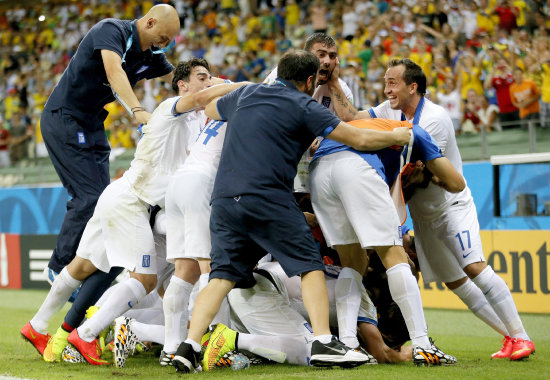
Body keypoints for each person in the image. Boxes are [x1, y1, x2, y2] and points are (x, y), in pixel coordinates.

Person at [171, 50, 412, 373]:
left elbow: (212, 109)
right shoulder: (304, 105)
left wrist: (243, 93)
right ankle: (323, 341)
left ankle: (190, 346)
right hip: (268, 196)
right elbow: (357, 137)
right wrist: (395, 135)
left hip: (225, 199)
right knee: (310, 266)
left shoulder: (247, 92)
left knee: (221, 276)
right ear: (310, 81)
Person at [20, 58, 248, 365]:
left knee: (83, 266)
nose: (209, 84)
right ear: (182, 84)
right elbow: (201, 99)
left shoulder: (195, 122)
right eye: (203, 78)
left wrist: (218, 89)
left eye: (210, 79)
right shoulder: (170, 107)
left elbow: (206, 106)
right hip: (133, 202)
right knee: (146, 279)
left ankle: (38, 326)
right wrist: (248, 87)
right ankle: (86, 334)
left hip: (122, 196)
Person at [357, 58, 535, 361]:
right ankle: (509, 338)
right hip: (424, 217)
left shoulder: (434, 119)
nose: (386, 89)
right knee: (456, 282)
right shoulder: (391, 110)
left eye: (393, 83)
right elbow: (356, 116)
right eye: (385, 82)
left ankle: (522, 337)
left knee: (474, 267)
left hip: (452, 207)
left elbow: (420, 175)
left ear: (413, 87)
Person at [309, 116, 463, 366]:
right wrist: (435, 174)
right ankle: (423, 345)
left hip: (319, 171)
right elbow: (457, 183)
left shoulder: (370, 123)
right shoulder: (416, 132)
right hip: (357, 168)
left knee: (352, 261)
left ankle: (348, 344)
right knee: (394, 255)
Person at [41, 4, 180, 280]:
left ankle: (87, 269)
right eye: (163, 38)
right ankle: (59, 268)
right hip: (65, 118)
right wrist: (138, 111)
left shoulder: (152, 55)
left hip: (93, 124)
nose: (165, 45)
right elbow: (114, 71)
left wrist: (215, 89)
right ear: (150, 23)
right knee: (88, 198)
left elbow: (179, 78)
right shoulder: (111, 30)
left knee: (104, 201)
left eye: (168, 41)